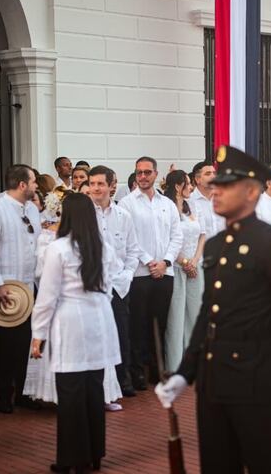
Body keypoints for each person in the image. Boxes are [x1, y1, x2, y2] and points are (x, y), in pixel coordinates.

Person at [155, 145, 271, 473]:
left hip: (256, 378)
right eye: (215, 185)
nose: (215, 191)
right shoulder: (215, 245)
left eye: (226, 186)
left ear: (251, 191)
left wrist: (252, 351)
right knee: (217, 464)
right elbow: (208, 316)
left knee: (264, 463)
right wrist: (186, 372)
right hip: (214, 380)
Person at [30, 193, 121, 473]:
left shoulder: (59, 249)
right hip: (99, 319)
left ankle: (72, 458)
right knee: (94, 390)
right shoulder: (102, 245)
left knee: (70, 394)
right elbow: (111, 283)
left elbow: (47, 296)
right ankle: (94, 453)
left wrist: (38, 334)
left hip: (71, 321)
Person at [0, 164, 42, 413]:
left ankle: (23, 392)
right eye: (34, 181)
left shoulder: (32, 209)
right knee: (7, 345)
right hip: (8, 288)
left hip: (30, 286)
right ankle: (4, 395)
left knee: (27, 343)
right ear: (22, 184)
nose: (37, 185)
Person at [118, 156, 183, 390]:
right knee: (139, 325)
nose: (143, 177)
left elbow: (177, 236)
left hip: (165, 273)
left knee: (161, 323)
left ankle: (158, 369)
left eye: (147, 172)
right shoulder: (126, 204)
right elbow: (129, 238)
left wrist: (165, 261)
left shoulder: (166, 204)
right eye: (139, 173)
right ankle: (137, 373)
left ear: (155, 174)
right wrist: (149, 262)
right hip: (139, 274)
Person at [89, 165, 141, 397]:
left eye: (100, 183)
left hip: (118, 286)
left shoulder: (124, 216)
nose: (96, 188)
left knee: (122, 334)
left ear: (111, 186)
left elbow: (132, 250)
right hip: (92, 287)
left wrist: (128, 275)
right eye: (92, 184)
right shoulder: (85, 215)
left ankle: (123, 380)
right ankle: (99, 384)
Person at [163, 170, 206, 371]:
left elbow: (202, 235)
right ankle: (175, 364)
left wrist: (195, 261)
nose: (191, 187)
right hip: (177, 268)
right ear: (179, 186)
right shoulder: (168, 208)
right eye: (188, 184)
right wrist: (184, 262)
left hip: (195, 267)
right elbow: (168, 239)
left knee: (195, 314)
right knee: (176, 317)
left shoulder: (192, 206)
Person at [189, 161, 225, 241]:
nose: (213, 176)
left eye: (214, 173)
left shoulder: (223, 199)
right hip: (201, 252)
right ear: (197, 179)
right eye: (208, 174)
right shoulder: (189, 202)